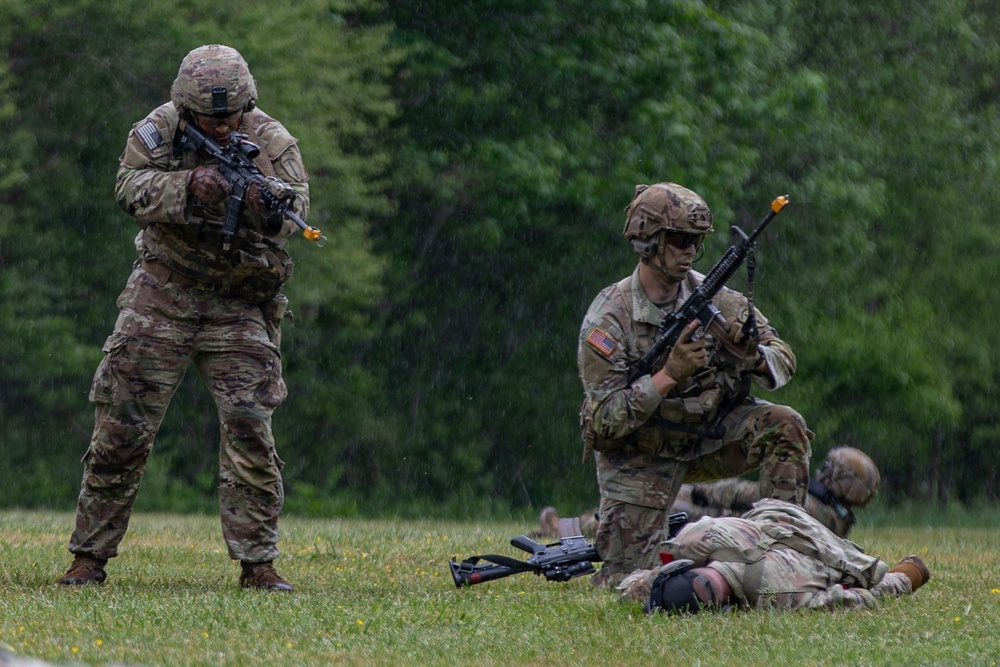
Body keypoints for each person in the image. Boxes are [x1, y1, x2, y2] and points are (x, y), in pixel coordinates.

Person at [57, 44, 310, 592]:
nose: (221, 127)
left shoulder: (271, 141)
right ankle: (88, 558)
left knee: (250, 429)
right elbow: (127, 187)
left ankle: (258, 564)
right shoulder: (159, 131)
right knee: (121, 428)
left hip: (239, 300)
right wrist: (186, 187)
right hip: (162, 293)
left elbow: (297, 207)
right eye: (210, 118)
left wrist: (270, 209)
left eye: (231, 115)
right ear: (186, 107)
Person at [578, 182, 814, 588]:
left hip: (709, 436)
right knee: (629, 581)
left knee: (784, 424)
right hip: (642, 454)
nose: (690, 250)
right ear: (647, 241)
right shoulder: (610, 318)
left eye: (697, 241)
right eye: (680, 239)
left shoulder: (719, 299)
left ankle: (785, 551)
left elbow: (783, 358)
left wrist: (752, 357)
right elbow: (602, 422)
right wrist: (668, 375)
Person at [617, 498, 931, 613]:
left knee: (872, 581)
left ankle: (909, 572)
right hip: (780, 514)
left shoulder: (778, 596)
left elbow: (859, 598)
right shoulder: (690, 541)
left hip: (826, 549)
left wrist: (904, 578)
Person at [537, 445, 879, 540]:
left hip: (722, 528)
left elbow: (742, 493)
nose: (821, 473)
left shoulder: (809, 505)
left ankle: (565, 529)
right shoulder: (838, 521)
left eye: (831, 471)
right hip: (732, 532)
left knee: (643, 512)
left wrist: (695, 491)